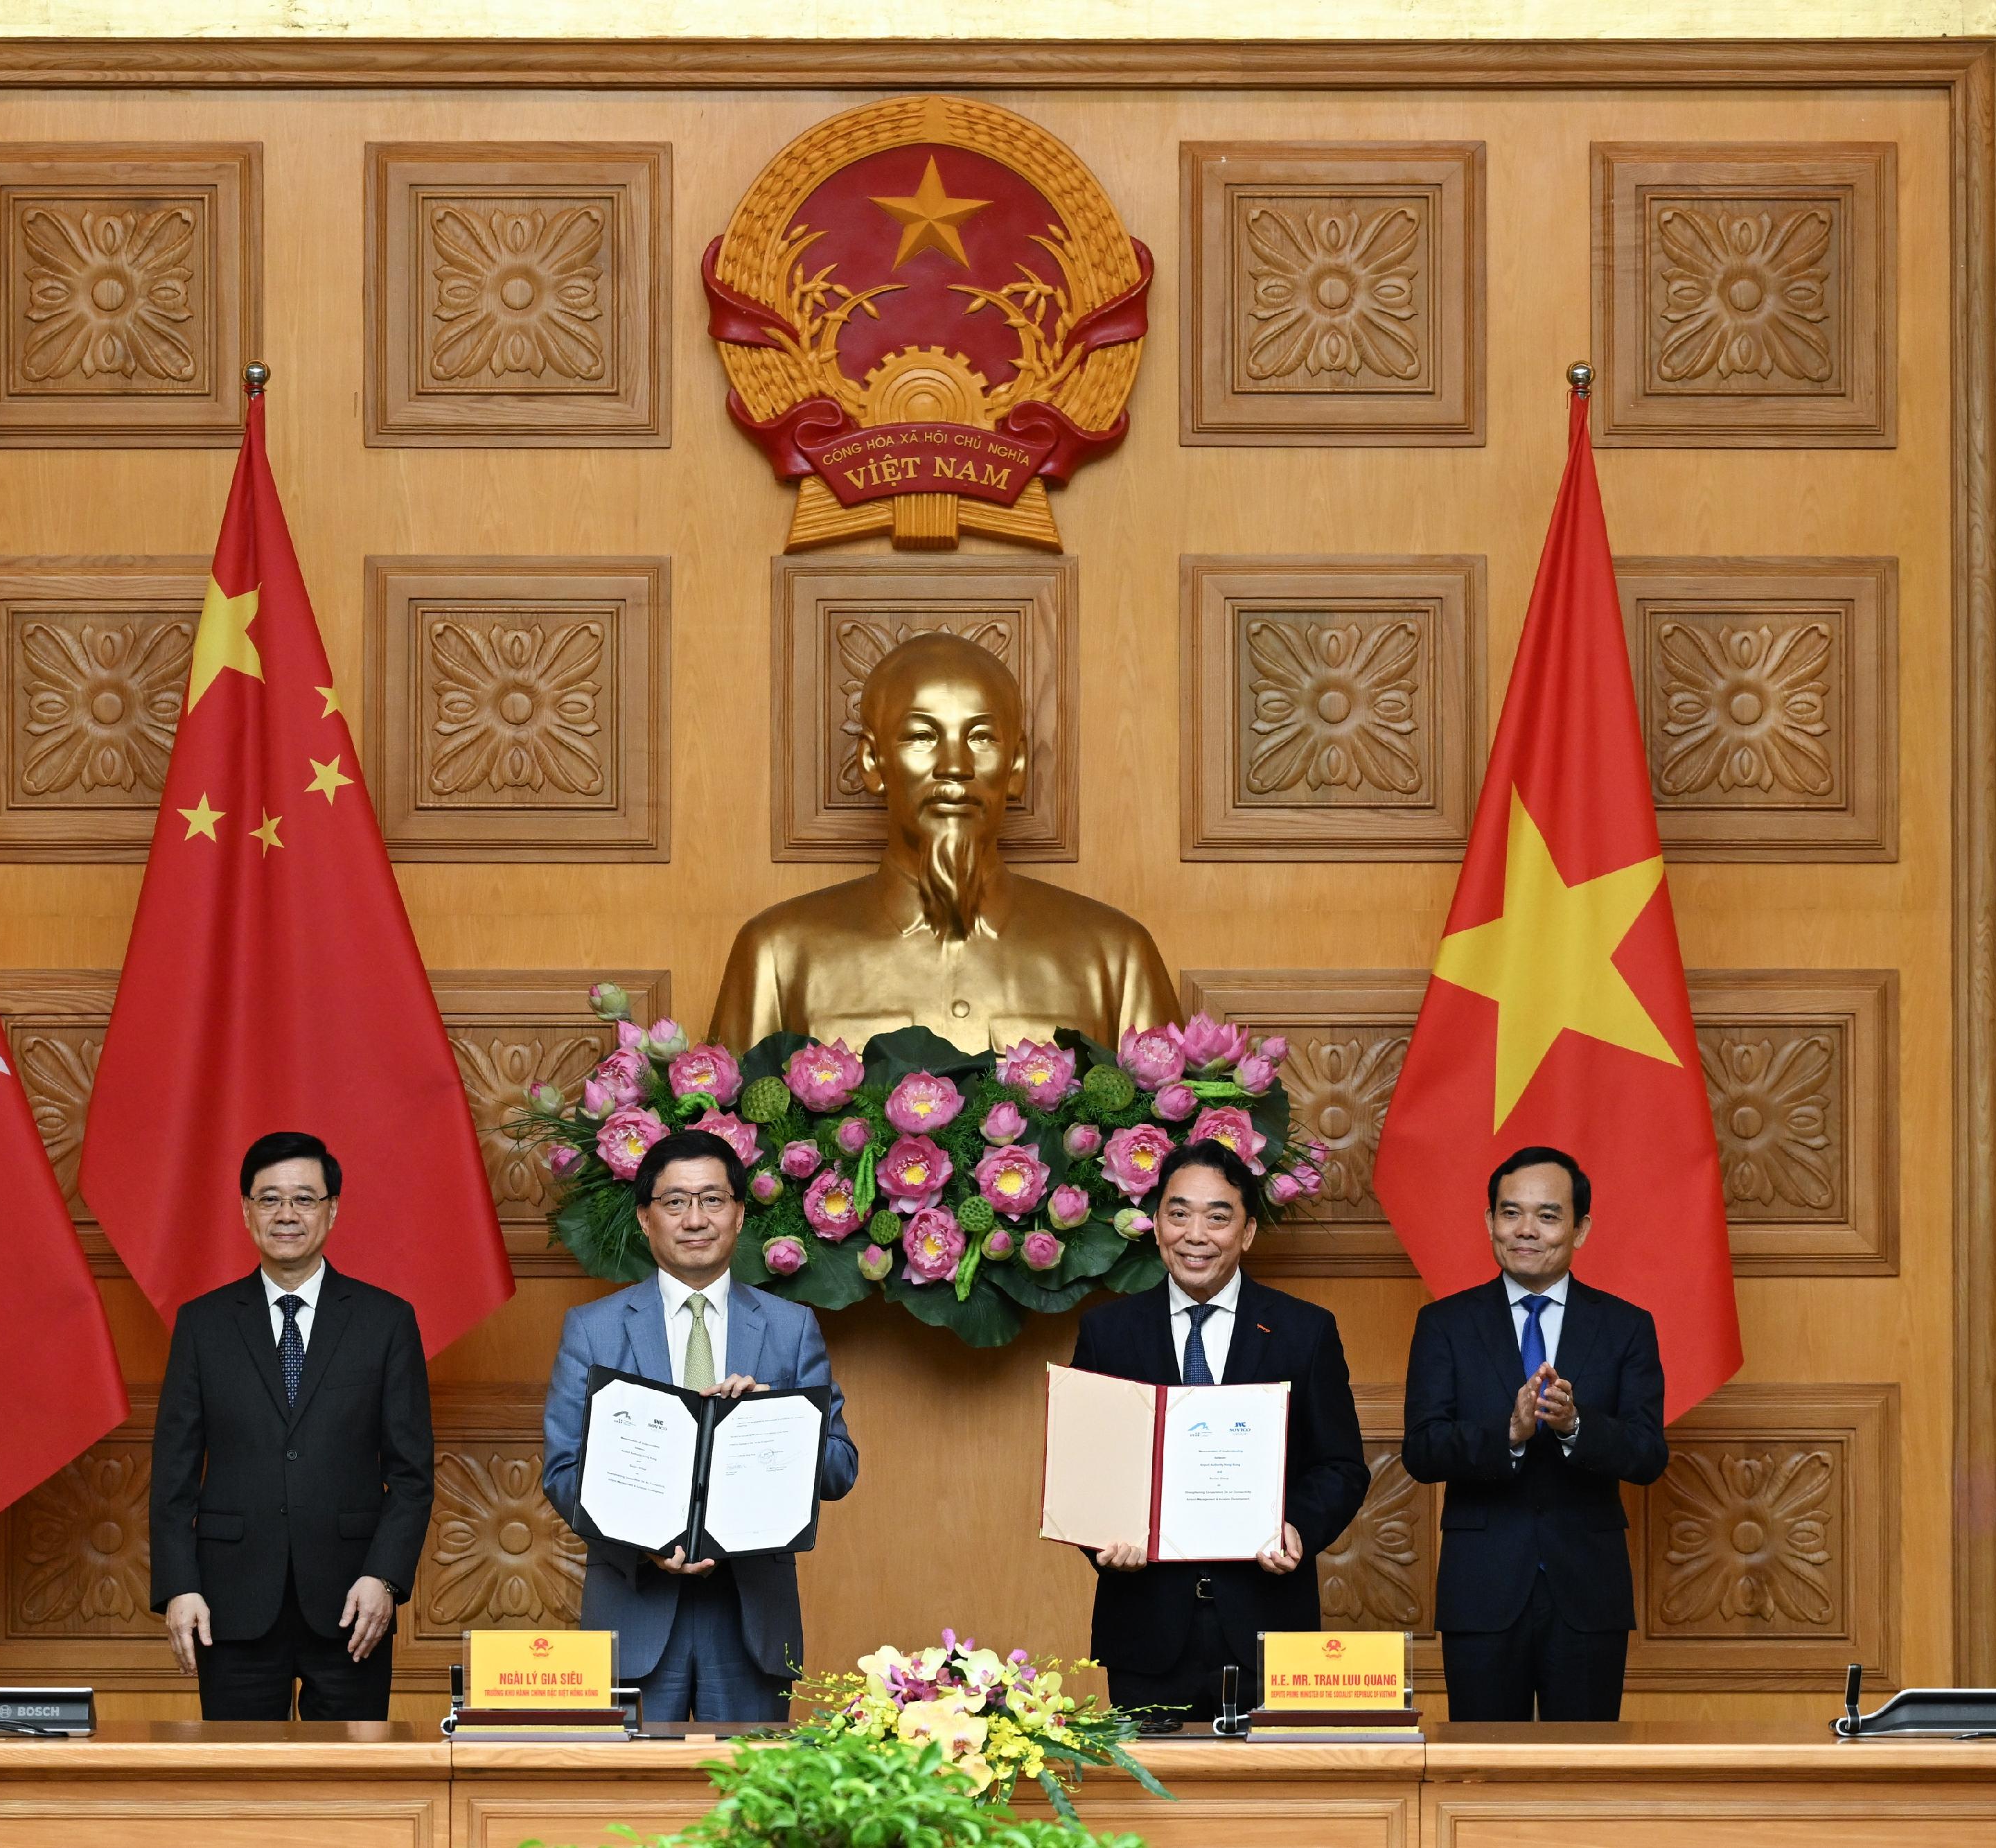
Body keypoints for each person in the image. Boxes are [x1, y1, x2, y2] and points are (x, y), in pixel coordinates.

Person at [710, 631, 1177, 1050]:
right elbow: (723, 1140)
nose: (954, 765)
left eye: (980, 737)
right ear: (872, 762)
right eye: (921, 736)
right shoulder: (777, 956)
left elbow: (1171, 1141)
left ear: (1015, 767)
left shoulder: (1117, 957)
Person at [542, 1129, 860, 1722]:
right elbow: (563, 1470)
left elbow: (841, 1468)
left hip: (749, 1624)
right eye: (675, 1202)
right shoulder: (593, 1329)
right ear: (645, 1218)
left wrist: (779, 1422)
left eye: (713, 1200)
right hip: (634, 1613)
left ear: (739, 1215)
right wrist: (646, 1542)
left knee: (750, 1810)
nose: (695, 1219)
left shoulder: (791, 1329)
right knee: (625, 1812)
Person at [1070, 1140, 1370, 1725]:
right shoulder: (1109, 1333)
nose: (1195, 1233)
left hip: (1268, 1624)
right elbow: (1087, 1468)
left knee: (1270, 1808)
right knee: (1148, 1808)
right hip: (1147, 1628)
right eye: (1178, 1213)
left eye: (1218, 1215)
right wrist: (1106, 1537)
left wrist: (1297, 1528)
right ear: (1155, 1224)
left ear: (1249, 1231)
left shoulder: (1304, 1332)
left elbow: (1340, 1465)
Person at [149, 1130, 434, 1721]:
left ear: (333, 1209)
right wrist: (180, 1585)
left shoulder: (386, 1321)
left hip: (353, 1606)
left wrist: (384, 1576)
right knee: (243, 1794)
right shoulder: (202, 1325)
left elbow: (411, 1475)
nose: (287, 1214)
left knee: (353, 1796)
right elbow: (173, 1476)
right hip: (230, 1605)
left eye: (305, 1198)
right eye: (270, 1198)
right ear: (246, 1211)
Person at [1401, 1145, 1669, 1722]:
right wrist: (1511, 1432)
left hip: (1588, 1590)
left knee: (1584, 1778)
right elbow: (1422, 1449)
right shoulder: (1445, 1324)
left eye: (1548, 1215)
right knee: (1482, 1775)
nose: (1526, 1230)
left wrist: (1575, 1426)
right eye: (1510, 1212)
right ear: (1490, 1221)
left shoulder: (1626, 1326)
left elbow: (1648, 1454)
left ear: (1581, 1228)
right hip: (1482, 1589)